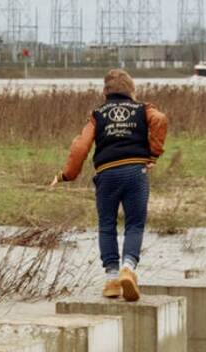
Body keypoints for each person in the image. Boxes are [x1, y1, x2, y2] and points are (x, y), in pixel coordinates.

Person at [50, 69, 168, 302]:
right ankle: (128, 267)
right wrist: (153, 155)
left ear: (105, 92)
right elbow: (161, 120)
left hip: (107, 174)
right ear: (132, 90)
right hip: (136, 171)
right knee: (134, 224)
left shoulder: (98, 114)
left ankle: (113, 279)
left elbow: (80, 146)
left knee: (106, 225)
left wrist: (66, 175)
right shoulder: (143, 109)